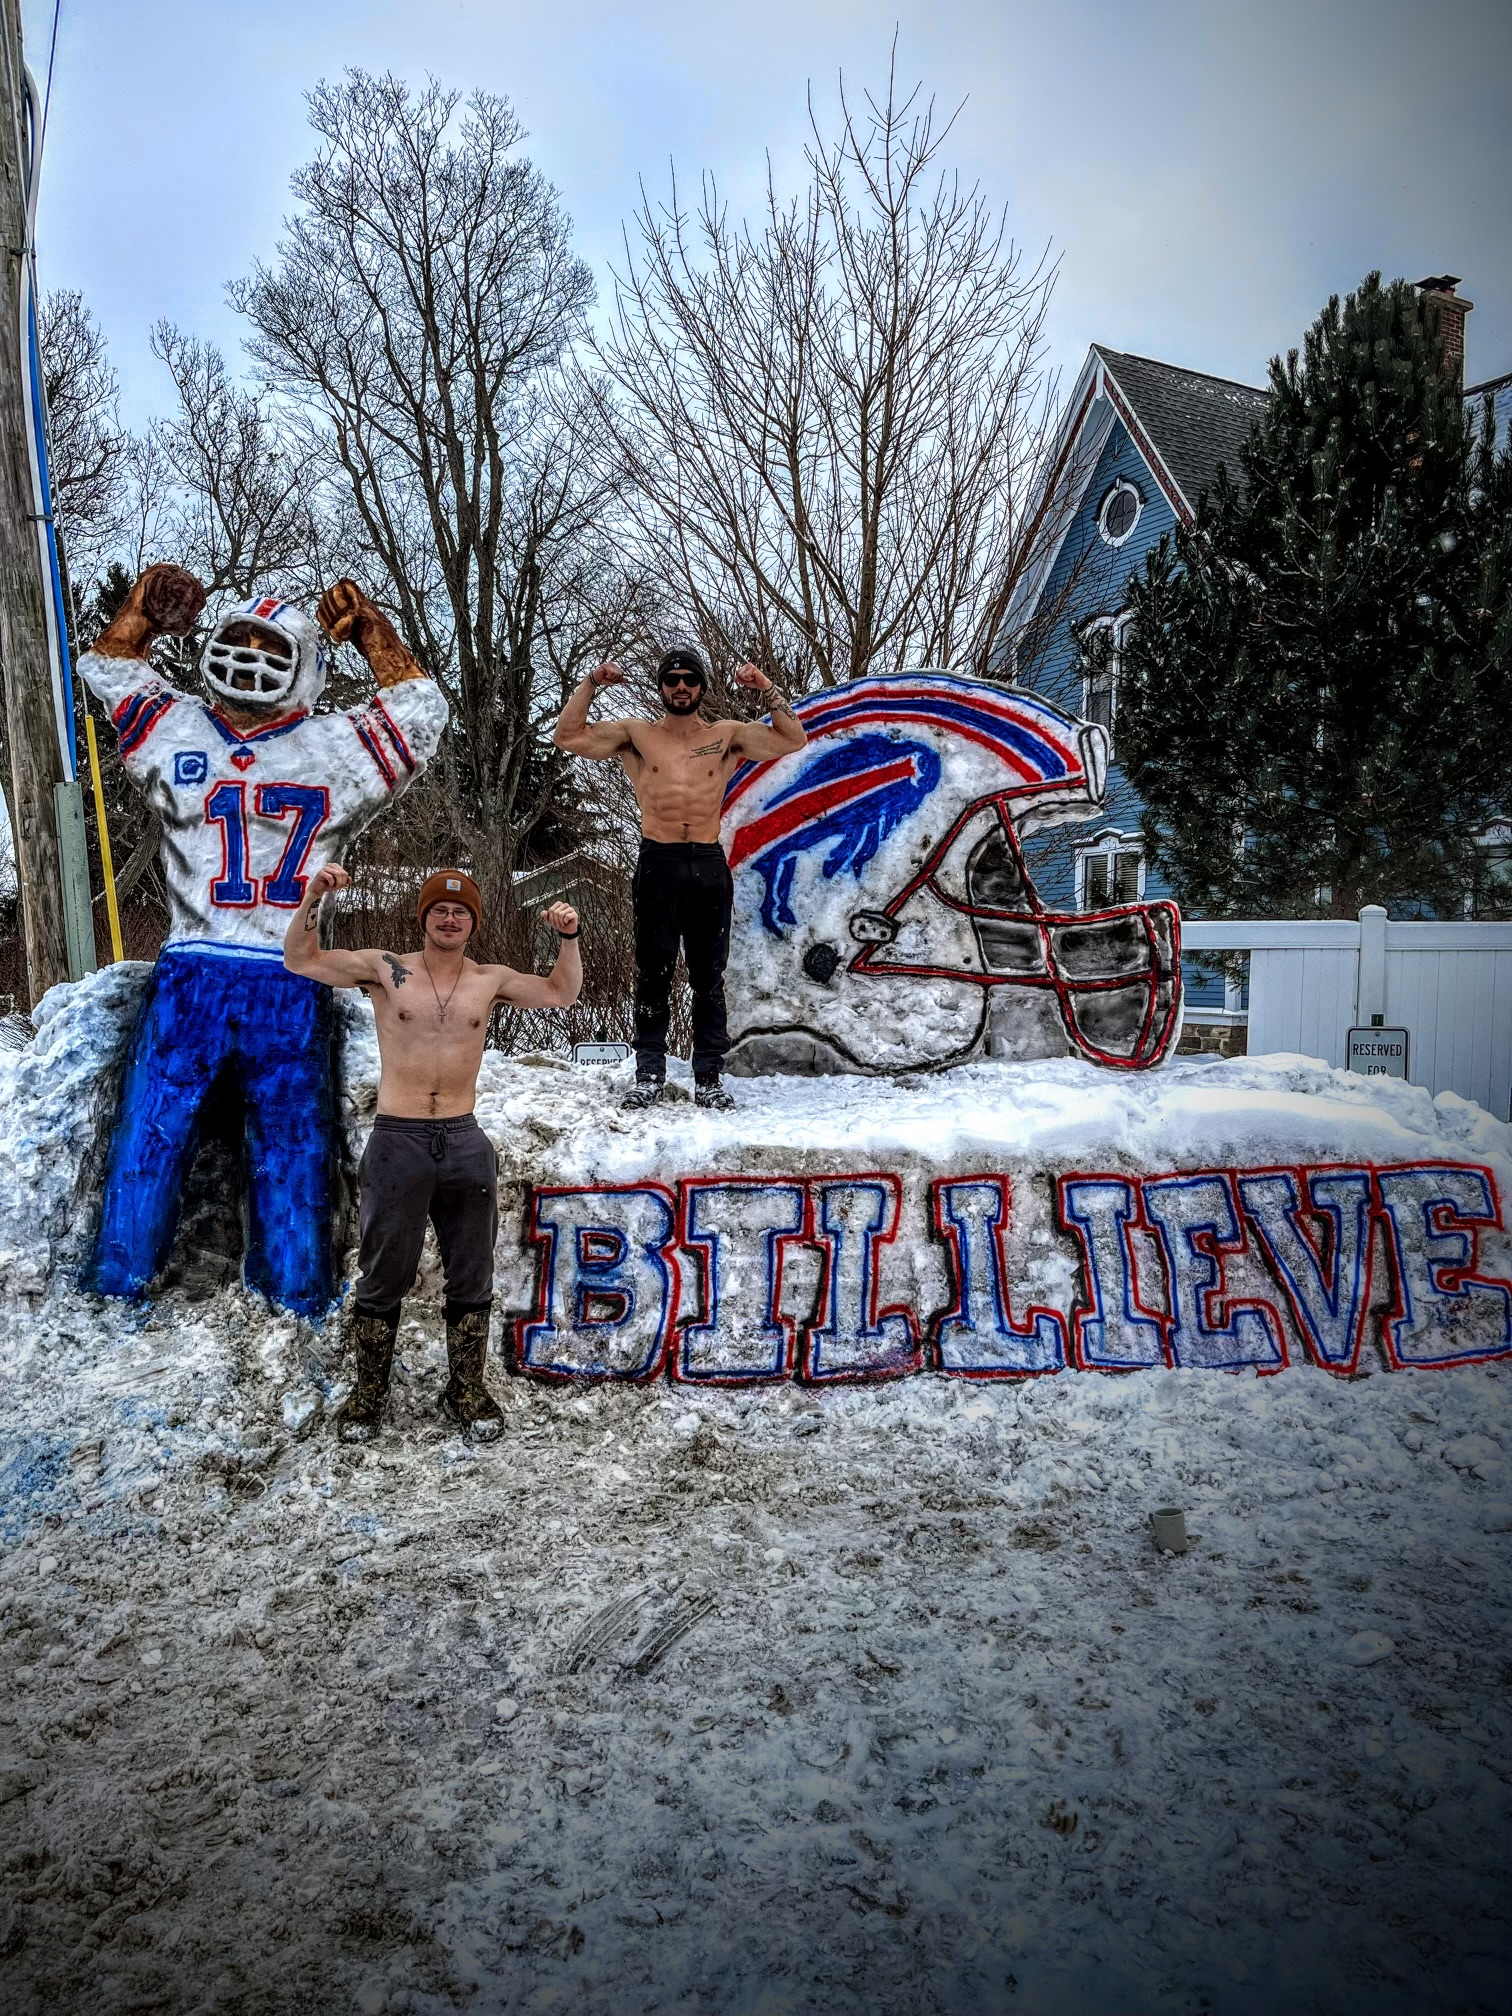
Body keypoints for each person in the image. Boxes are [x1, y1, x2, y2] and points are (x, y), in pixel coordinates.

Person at [80, 564, 447, 1319]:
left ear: (303, 665)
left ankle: (138, 1284)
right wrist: (373, 633)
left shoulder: (180, 727)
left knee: (210, 1134)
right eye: (238, 639)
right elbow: (419, 708)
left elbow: (110, 666)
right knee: (236, 1137)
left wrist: (142, 614)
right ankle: (285, 1289)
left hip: (239, 967)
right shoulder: (333, 746)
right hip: (261, 972)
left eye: (265, 644)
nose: (248, 656)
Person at [284, 864, 581, 1442]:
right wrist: (314, 896)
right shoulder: (384, 969)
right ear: (424, 918)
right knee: (383, 1272)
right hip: (399, 1139)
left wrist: (568, 938)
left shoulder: (487, 979)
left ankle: (466, 1389)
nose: (450, 918)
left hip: (464, 1140)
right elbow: (302, 958)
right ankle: (369, 1395)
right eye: (440, 910)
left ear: (473, 922)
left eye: (461, 911)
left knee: (472, 1273)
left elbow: (560, 993)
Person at [552, 645, 806, 1108]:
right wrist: (591, 682)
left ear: (702, 687)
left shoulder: (727, 734)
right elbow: (567, 737)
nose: (682, 687)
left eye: (690, 679)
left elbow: (792, 739)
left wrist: (766, 688)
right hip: (659, 862)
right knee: (653, 972)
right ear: (662, 687)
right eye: (673, 680)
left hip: (708, 863)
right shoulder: (637, 734)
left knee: (709, 975)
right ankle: (649, 1072)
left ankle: (709, 1077)